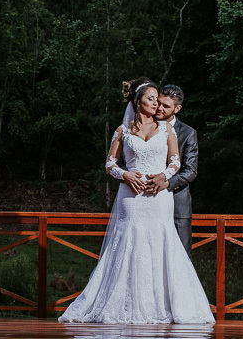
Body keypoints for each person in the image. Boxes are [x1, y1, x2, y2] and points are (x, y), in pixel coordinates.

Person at [58, 78, 214, 324]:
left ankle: (167, 305)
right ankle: (122, 304)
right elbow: (110, 164)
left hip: (159, 198)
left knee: (162, 244)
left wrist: (164, 177)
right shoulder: (123, 130)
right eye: (151, 99)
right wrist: (125, 175)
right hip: (131, 197)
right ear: (137, 101)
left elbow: (177, 163)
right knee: (128, 244)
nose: (156, 104)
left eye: (158, 101)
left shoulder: (168, 129)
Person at [144, 85, 197, 258]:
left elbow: (190, 171)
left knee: (180, 258)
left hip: (177, 206)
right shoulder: (142, 127)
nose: (159, 108)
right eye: (158, 102)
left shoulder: (188, 133)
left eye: (166, 106)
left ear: (177, 108)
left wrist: (166, 183)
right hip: (146, 202)